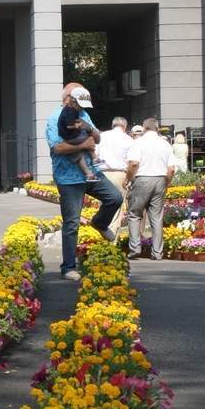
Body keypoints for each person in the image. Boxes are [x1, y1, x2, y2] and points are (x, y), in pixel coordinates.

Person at [46, 83, 123, 280]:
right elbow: (57, 148)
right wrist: (83, 143)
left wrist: (90, 131)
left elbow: (96, 138)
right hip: (69, 178)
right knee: (71, 223)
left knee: (115, 198)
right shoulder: (55, 118)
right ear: (68, 99)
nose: (81, 108)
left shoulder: (83, 115)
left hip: (92, 172)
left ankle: (99, 222)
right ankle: (68, 267)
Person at [124, 117, 175, 260]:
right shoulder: (165, 144)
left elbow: (134, 163)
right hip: (160, 179)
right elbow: (171, 169)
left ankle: (135, 248)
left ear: (144, 129)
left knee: (134, 214)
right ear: (157, 129)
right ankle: (157, 252)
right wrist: (167, 183)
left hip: (142, 179)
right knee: (157, 217)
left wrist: (128, 179)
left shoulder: (138, 143)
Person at [95, 116, 132, 235]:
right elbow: (132, 161)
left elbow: (94, 156)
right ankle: (112, 238)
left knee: (104, 207)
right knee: (117, 209)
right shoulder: (128, 139)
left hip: (103, 174)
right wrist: (129, 178)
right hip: (120, 174)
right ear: (125, 127)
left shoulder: (102, 136)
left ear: (112, 125)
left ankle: (102, 236)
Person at [57, 100, 99, 181]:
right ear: (74, 103)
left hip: (67, 137)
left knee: (78, 156)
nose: (82, 108)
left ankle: (89, 174)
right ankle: (95, 159)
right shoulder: (71, 111)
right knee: (89, 138)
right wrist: (79, 125)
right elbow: (69, 126)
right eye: (81, 106)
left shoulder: (67, 110)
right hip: (72, 136)